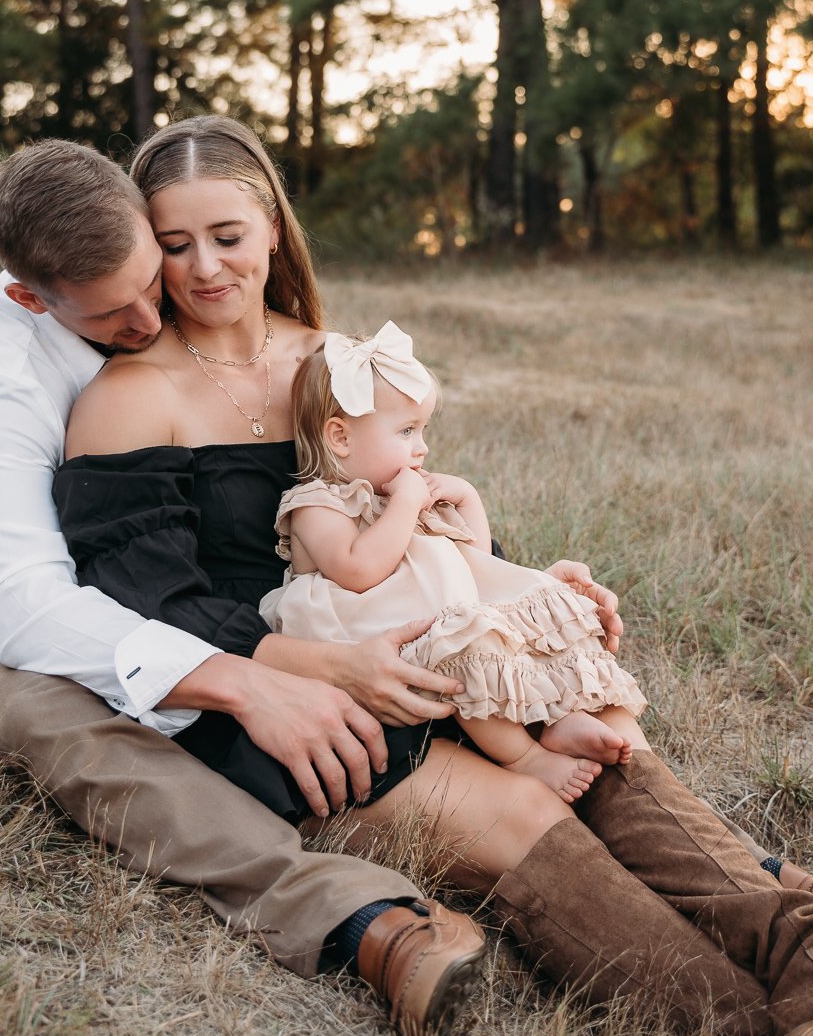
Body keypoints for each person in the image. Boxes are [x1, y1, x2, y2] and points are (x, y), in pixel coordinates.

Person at [55, 112, 813, 1036]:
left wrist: (513, 576)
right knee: (525, 808)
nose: (205, 265)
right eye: (174, 243)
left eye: (228, 234)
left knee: (595, 728)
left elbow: (411, 514)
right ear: (144, 251)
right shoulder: (130, 398)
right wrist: (333, 668)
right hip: (281, 694)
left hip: (413, 638)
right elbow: (158, 613)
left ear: (272, 228)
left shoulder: (332, 364)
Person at [0, 139, 485, 1036]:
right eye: (116, 313)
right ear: (32, 296)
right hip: (25, 626)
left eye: (154, 278)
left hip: (179, 593)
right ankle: (361, 921)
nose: (155, 315)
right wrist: (241, 678)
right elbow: (25, 605)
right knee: (82, 737)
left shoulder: (232, 331)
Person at [266, 324, 650, 803]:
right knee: (466, 647)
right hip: (374, 634)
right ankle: (524, 758)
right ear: (340, 438)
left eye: (422, 430)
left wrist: (466, 498)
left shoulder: (396, 492)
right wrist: (405, 507)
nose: (421, 447)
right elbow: (358, 570)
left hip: (440, 614)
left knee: (516, 620)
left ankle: (554, 719)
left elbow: (471, 557)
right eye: (406, 431)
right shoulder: (315, 504)